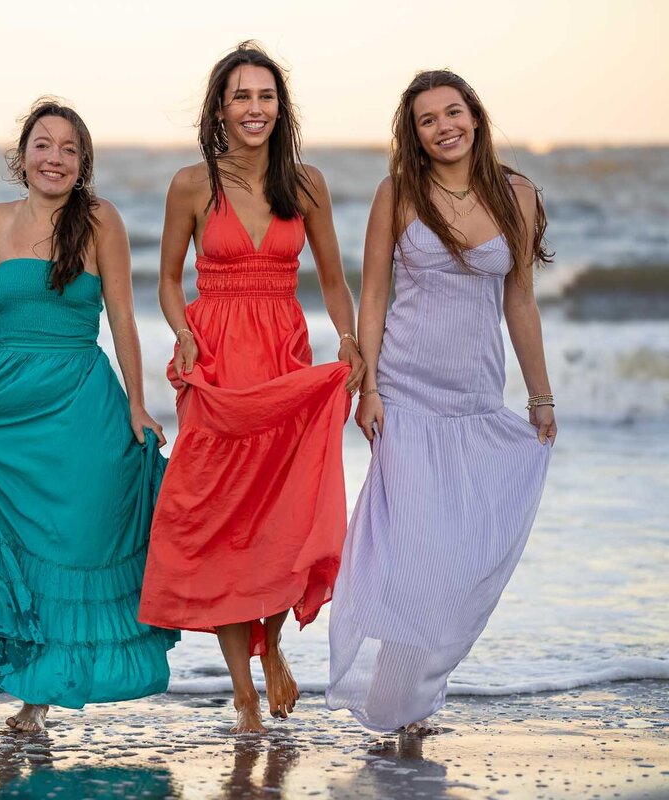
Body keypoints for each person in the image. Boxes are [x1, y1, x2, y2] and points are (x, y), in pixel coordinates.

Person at [0, 99, 179, 732]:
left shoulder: (100, 221)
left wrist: (138, 404)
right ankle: (36, 689)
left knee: (78, 538)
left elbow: (122, 316)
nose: (54, 157)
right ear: (23, 156)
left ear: (82, 162)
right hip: (7, 401)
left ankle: (53, 688)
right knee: (23, 544)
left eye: (68, 148)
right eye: (43, 144)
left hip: (80, 402)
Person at [138, 42, 364, 733]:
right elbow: (167, 281)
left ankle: (271, 655)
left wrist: (349, 343)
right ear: (220, 107)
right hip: (214, 366)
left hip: (284, 361)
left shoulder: (308, 183)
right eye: (241, 96)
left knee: (278, 515)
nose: (254, 108)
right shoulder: (191, 184)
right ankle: (242, 690)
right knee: (219, 521)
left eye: (265, 96)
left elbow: (331, 280)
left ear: (280, 107)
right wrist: (181, 333)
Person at [325, 69, 555, 734]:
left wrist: (540, 396)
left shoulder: (517, 194)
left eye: (453, 112)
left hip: (477, 401)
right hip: (406, 397)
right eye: (428, 119)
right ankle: (399, 708)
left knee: (457, 557)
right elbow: (373, 294)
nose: (444, 126)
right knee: (414, 555)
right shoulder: (397, 193)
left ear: (474, 117)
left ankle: (409, 696)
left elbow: (520, 300)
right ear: (415, 134)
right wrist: (367, 385)